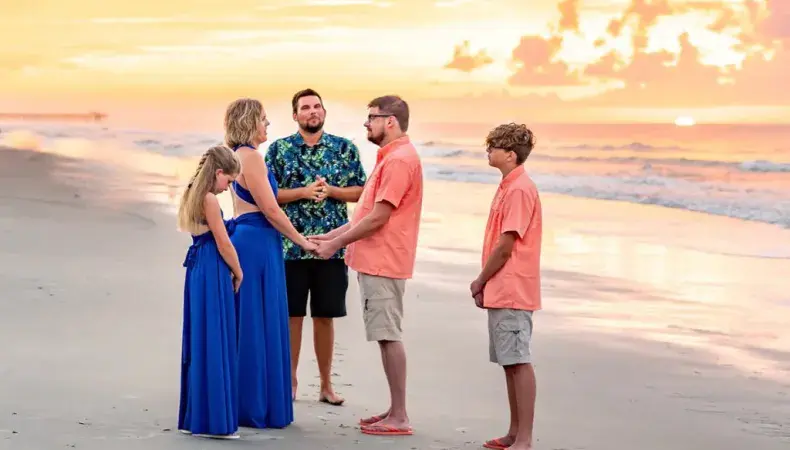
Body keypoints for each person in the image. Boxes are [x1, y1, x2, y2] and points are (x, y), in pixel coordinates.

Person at [311, 95, 422, 436]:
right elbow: (365, 214)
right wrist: (330, 235)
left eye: (372, 117)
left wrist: (336, 244)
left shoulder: (399, 160)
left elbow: (378, 218)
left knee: (388, 335)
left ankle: (400, 416)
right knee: (384, 335)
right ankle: (394, 408)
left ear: (391, 121)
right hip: (375, 259)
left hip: (384, 260)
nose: (366, 123)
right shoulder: (389, 157)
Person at [265, 88, 367, 406]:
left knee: (325, 316)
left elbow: (362, 192)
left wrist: (332, 191)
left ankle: (326, 385)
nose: (313, 111)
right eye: (306, 107)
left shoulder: (344, 148)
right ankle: (291, 382)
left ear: (324, 112)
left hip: (331, 248)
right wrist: (303, 192)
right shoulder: (279, 150)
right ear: (295, 115)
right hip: (289, 247)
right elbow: (266, 195)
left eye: (317, 106)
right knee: (292, 316)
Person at [223, 98, 317, 429]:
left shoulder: (236, 156)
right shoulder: (251, 157)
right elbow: (272, 210)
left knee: (249, 319)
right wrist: (302, 241)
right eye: (263, 119)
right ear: (249, 122)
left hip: (250, 239)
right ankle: (253, 404)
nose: (267, 125)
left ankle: (246, 399)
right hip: (257, 243)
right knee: (255, 320)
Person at [470, 123, 542, 450]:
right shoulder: (508, 185)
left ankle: (524, 438)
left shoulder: (519, 189)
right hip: (502, 287)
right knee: (509, 362)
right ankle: (514, 433)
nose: (488, 151)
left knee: (518, 360)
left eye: (493, 147)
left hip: (513, 288)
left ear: (510, 154)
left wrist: (480, 279)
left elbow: (506, 245)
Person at [176, 145, 243, 439]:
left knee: (201, 337)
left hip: (197, 268)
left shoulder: (192, 192)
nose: (228, 187)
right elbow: (223, 243)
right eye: (228, 180)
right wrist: (238, 271)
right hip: (212, 266)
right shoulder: (209, 199)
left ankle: (196, 416)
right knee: (215, 336)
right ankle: (213, 421)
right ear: (218, 172)